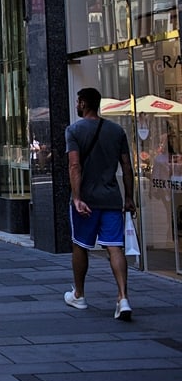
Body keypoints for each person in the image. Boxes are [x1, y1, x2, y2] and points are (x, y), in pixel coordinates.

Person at [64, 87, 135, 320]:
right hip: (112, 198)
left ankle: (80, 294)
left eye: (78, 101)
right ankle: (123, 297)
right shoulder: (116, 130)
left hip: (86, 200)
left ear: (83, 104)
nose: (77, 104)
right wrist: (129, 198)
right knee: (115, 247)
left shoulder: (74, 130)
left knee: (80, 245)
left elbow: (74, 166)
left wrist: (77, 198)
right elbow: (126, 167)